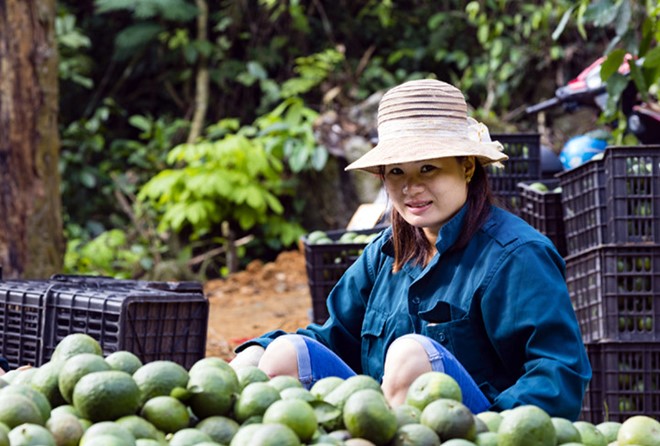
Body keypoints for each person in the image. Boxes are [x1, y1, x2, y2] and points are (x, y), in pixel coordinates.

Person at [230, 79, 592, 420]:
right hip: (385, 427)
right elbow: (334, 337)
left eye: (428, 168)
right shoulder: (385, 254)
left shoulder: (516, 255)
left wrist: (492, 430)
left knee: (410, 356)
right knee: (284, 354)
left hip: (474, 431)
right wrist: (256, 351)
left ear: (466, 167)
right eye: (397, 172)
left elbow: (557, 375)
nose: (411, 187)